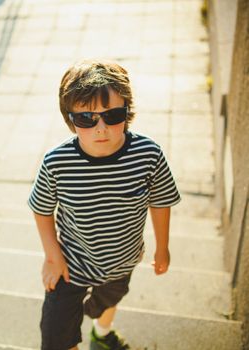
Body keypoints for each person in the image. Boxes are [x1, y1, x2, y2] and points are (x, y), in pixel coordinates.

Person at [28, 59, 181, 350]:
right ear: (70, 119)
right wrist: (52, 255)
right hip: (70, 265)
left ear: (127, 112)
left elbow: (161, 202)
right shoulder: (57, 162)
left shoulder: (148, 154)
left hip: (122, 261)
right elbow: (41, 207)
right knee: (56, 338)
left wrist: (163, 246)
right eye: (86, 118)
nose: (101, 127)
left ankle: (101, 331)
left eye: (112, 115)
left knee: (108, 302)